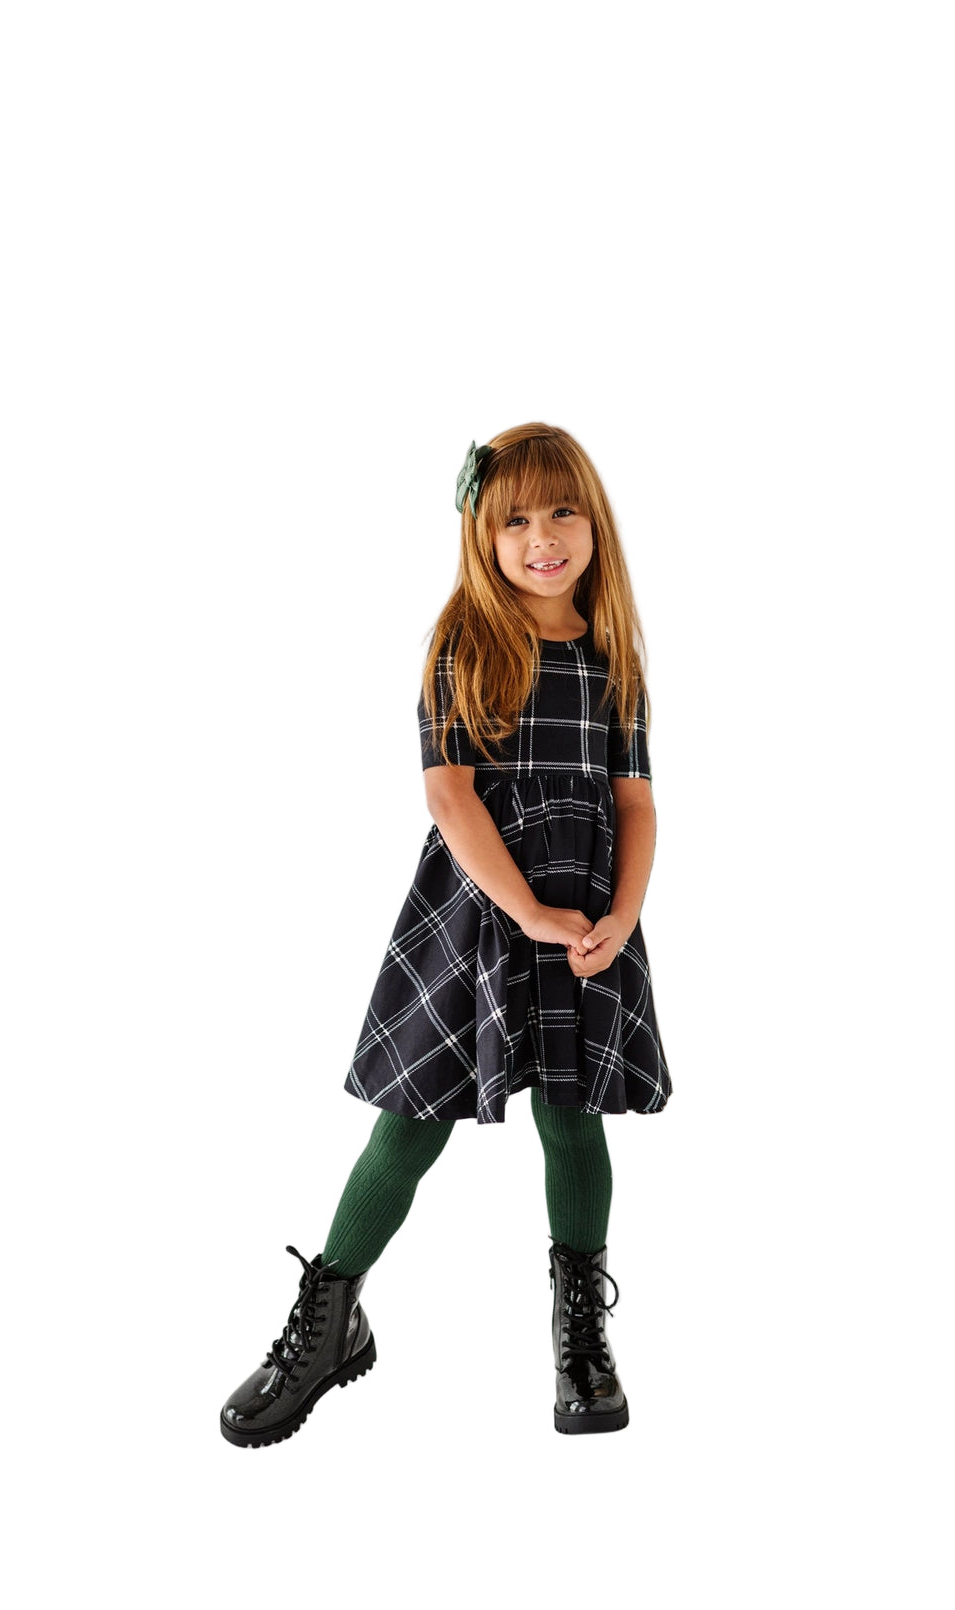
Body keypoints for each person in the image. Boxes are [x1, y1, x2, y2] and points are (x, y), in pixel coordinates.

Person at [220, 421, 672, 1445]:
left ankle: (580, 1333)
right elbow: (450, 795)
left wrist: (621, 913)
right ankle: (329, 1320)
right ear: (482, 532)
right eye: (516, 519)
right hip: (479, 916)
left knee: (573, 1115)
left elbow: (636, 802)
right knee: (410, 1122)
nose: (542, 537)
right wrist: (527, 912)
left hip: (587, 914)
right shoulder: (468, 641)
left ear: (594, 523)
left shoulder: (614, 658)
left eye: (563, 512)